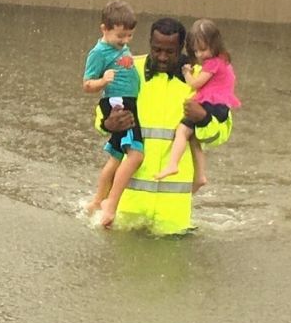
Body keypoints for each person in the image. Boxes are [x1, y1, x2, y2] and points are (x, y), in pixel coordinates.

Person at [94, 17, 232, 234]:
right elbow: (102, 114)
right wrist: (108, 123)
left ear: (183, 47)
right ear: (149, 42)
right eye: (157, 49)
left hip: (172, 217)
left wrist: (203, 118)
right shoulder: (130, 69)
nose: (162, 57)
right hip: (127, 209)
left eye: (170, 52)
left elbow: (221, 133)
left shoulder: (201, 78)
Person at [155, 18, 240, 190]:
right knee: (193, 137)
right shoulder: (223, 60)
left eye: (203, 49)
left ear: (215, 44)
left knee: (182, 131)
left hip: (213, 104)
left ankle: (173, 163)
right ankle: (200, 175)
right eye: (196, 50)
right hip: (220, 103)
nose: (200, 55)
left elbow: (194, 84)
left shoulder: (213, 63)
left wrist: (186, 72)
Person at [82, 0, 144, 215]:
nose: (125, 40)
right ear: (104, 29)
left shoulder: (121, 47)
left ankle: (98, 200)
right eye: (120, 36)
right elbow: (87, 84)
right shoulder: (98, 53)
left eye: (129, 36)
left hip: (129, 101)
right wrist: (103, 81)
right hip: (118, 103)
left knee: (116, 156)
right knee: (135, 155)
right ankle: (110, 202)